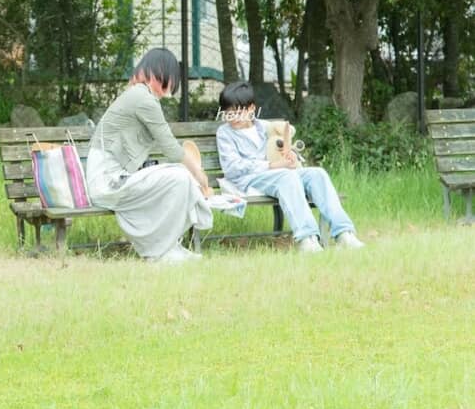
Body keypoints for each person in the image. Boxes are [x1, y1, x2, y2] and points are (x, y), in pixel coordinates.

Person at [86, 48, 214, 263]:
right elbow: (172, 149)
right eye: (171, 79)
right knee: (180, 176)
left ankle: (167, 247)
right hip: (108, 181)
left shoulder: (138, 95)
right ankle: (161, 251)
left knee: (177, 177)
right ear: (159, 74)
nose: (171, 86)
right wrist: (200, 176)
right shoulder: (141, 97)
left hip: (112, 178)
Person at [215, 80, 364, 252]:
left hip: (275, 176)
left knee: (317, 174)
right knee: (286, 176)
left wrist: (291, 157)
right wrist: (271, 165)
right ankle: (307, 238)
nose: (232, 118)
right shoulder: (225, 133)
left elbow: (281, 148)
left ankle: (344, 233)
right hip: (248, 180)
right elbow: (232, 168)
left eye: (237, 112)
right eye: (228, 113)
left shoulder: (265, 127)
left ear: (251, 108)